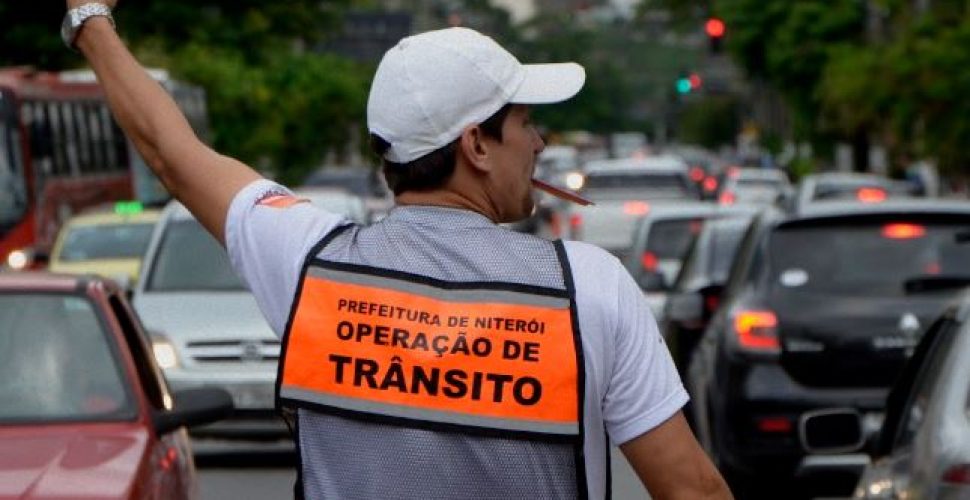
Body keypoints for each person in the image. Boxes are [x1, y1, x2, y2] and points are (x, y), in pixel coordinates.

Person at [63, 1, 732, 498]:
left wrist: (90, 17)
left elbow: (172, 154)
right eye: (526, 122)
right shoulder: (589, 288)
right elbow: (691, 489)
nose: (540, 143)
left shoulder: (311, 266)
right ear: (475, 146)